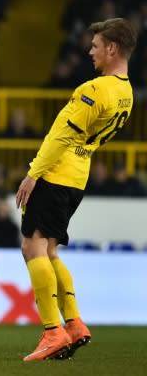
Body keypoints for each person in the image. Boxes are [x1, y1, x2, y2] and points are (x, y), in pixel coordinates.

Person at [15, 18, 136, 361]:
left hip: (56, 174)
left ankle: (53, 331)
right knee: (50, 252)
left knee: (32, 248)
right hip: (78, 178)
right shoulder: (127, 94)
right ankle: (75, 324)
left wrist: (33, 174)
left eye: (96, 46)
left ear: (112, 49)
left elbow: (61, 136)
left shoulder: (94, 90)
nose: (90, 51)